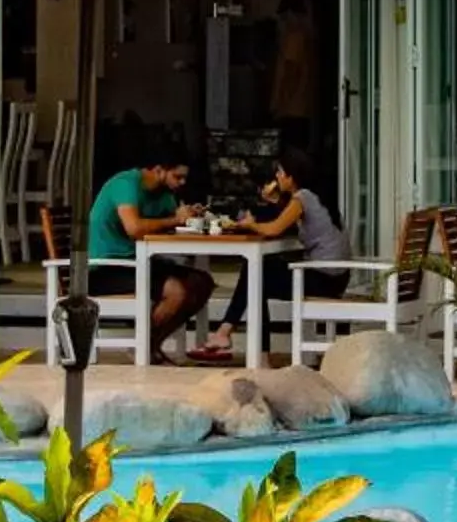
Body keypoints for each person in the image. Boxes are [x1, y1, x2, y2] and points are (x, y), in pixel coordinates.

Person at [195, 148, 350, 362]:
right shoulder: (317, 196)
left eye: (280, 172)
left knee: (257, 273)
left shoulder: (302, 198)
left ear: (291, 176)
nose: (276, 176)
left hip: (324, 279)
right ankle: (227, 334)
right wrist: (275, 200)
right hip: (337, 278)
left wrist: (250, 224)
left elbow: (275, 229)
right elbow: (288, 218)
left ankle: (245, 346)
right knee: (260, 270)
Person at [83, 159, 213, 361]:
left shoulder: (164, 193)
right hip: (106, 267)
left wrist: (189, 215)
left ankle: (149, 344)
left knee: (202, 282)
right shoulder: (125, 184)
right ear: (159, 170)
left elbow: (169, 221)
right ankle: (144, 346)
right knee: (176, 291)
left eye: (184, 178)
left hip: (138, 261)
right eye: (177, 177)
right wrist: (175, 219)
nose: (182, 183)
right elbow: (134, 228)